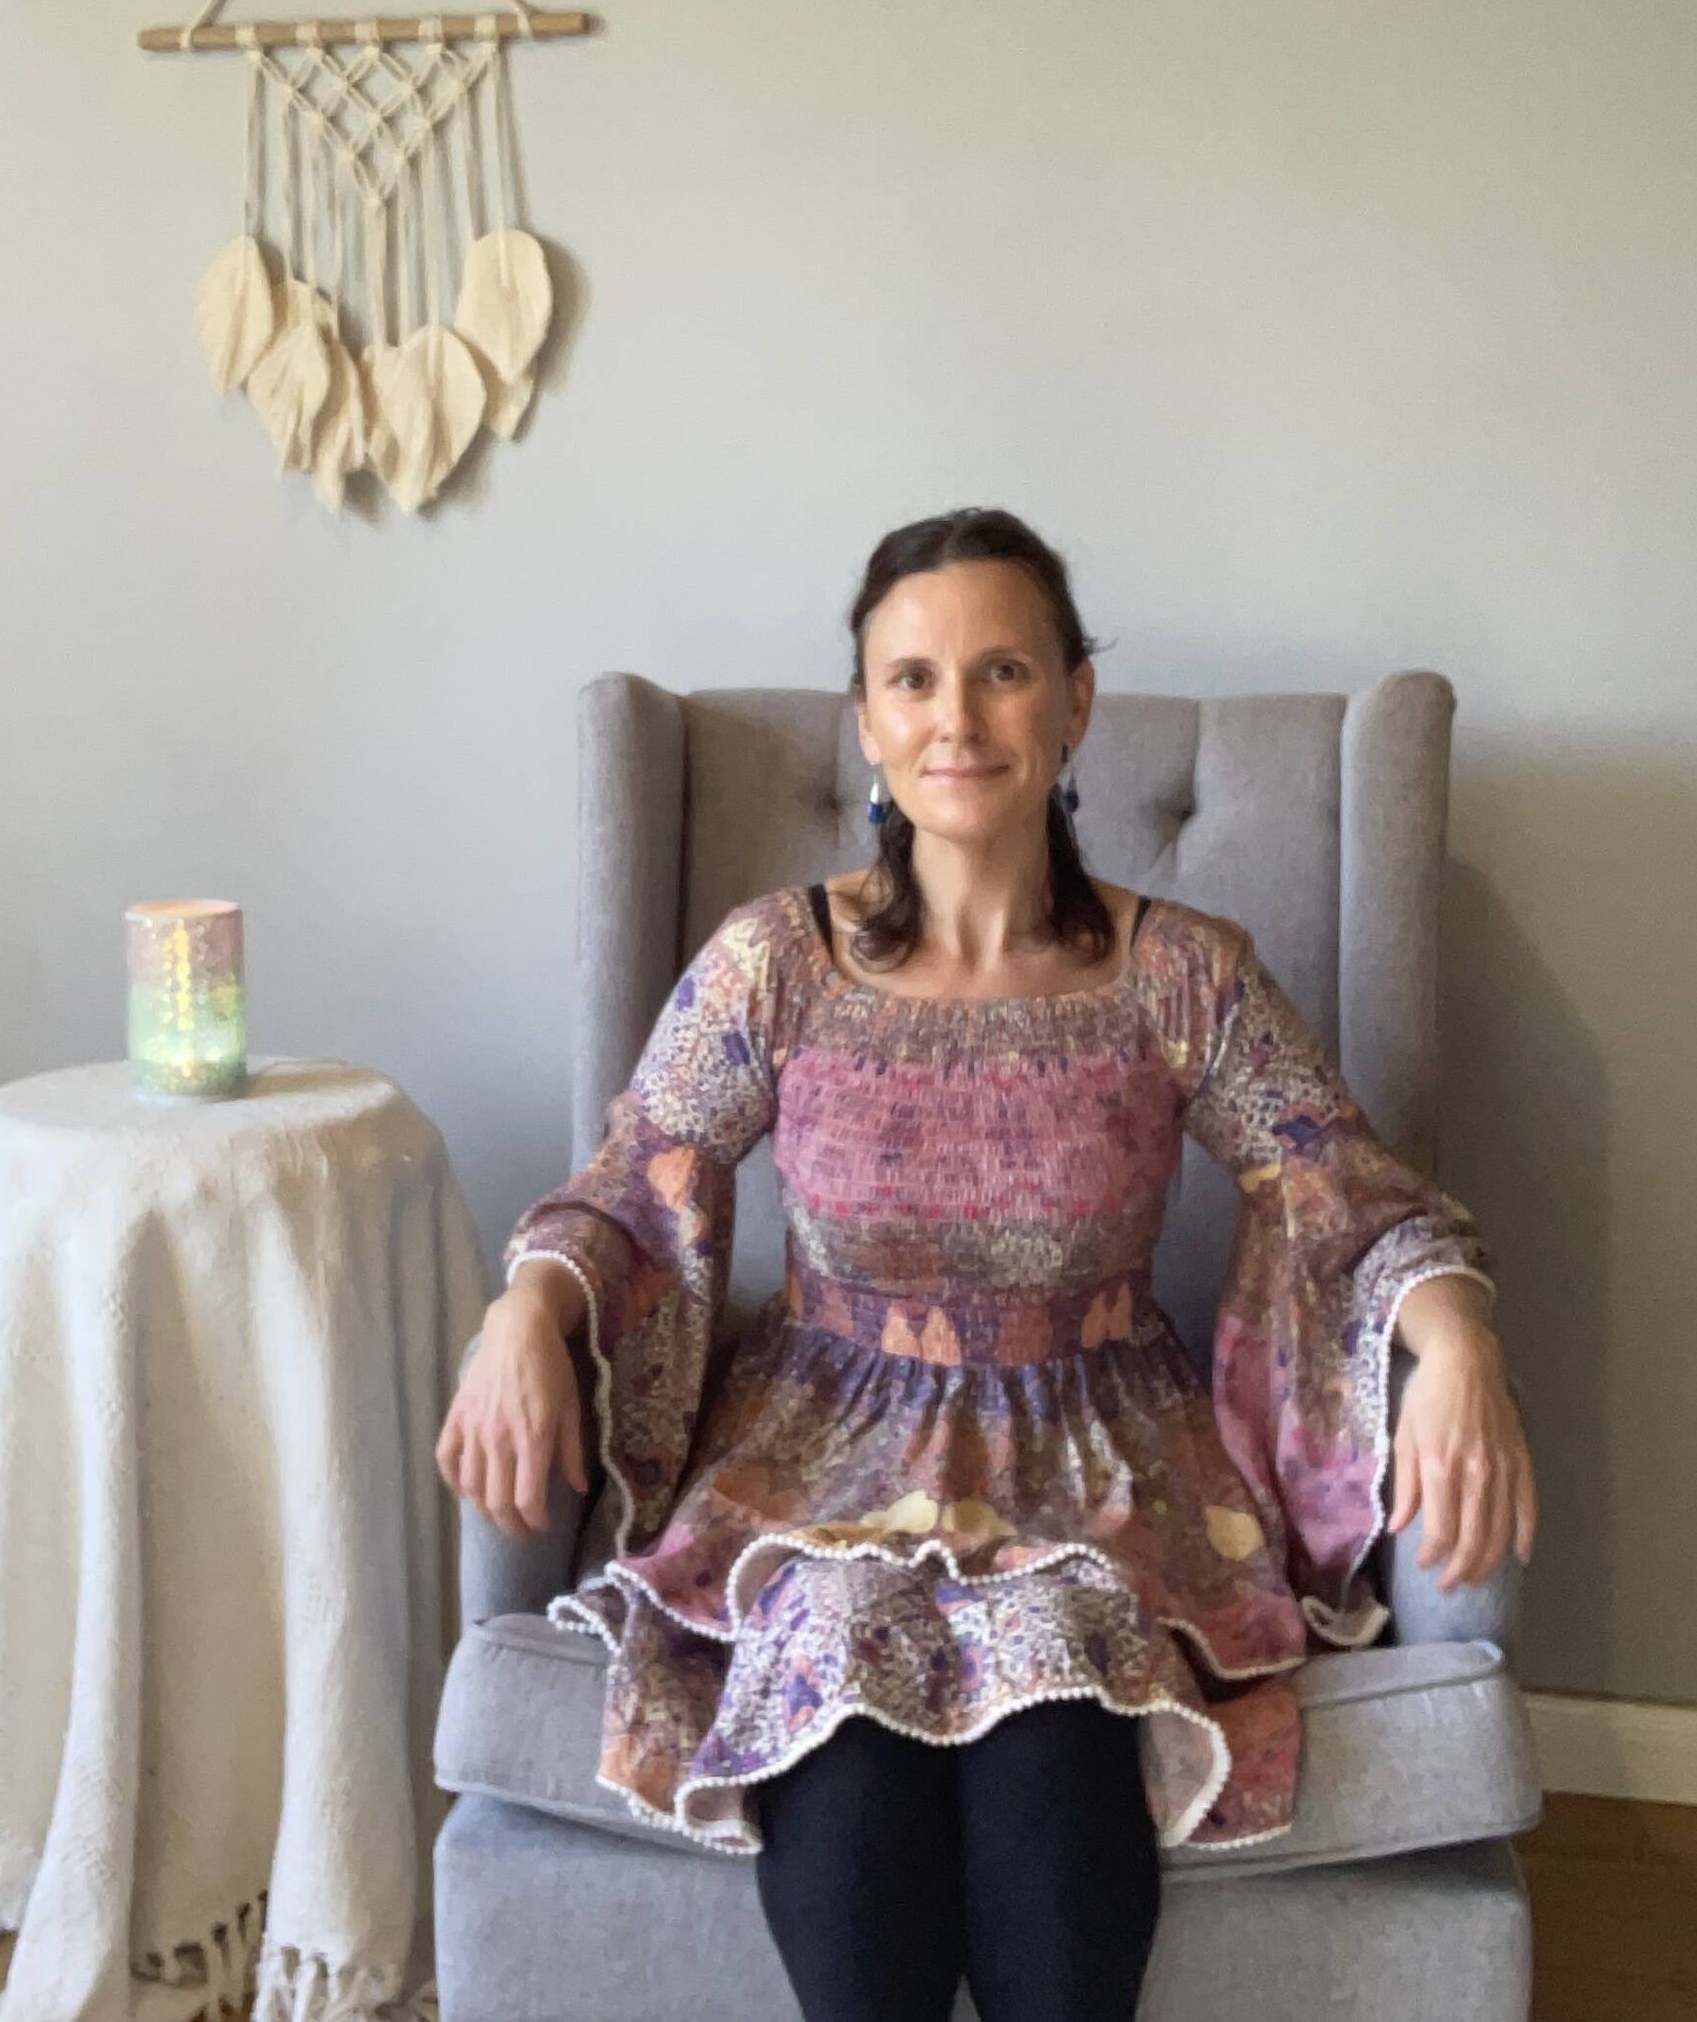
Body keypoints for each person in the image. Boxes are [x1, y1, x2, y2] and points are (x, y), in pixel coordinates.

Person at [436, 506, 1538, 2022]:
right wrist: (525, 1306)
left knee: (1056, 1810)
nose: (956, 717)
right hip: (821, 1466)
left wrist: (1458, 1339)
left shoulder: (1182, 972)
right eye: (912, 681)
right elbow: (635, 1178)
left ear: (1075, 700)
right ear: (866, 721)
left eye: (1002, 671)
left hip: (1096, 1470)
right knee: (849, 1796)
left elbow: (1339, 1179)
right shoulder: (778, 959)